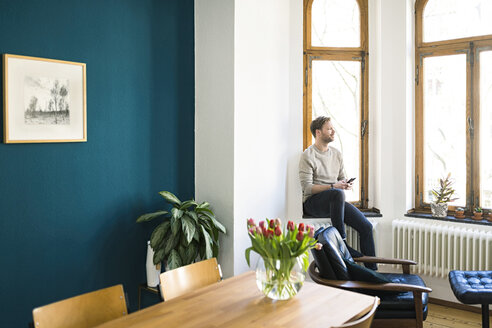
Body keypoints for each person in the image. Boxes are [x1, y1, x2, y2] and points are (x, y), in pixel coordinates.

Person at [299, 116, 376, 269]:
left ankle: (372, 271)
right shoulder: (308, 155)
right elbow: (307, 188)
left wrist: (345, 184)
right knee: (337, 194)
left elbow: (341, 179)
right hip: (313, 203)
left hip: (335, 200)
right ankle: (342, 242)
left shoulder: (336, 154)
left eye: (332, 128)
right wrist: (334, 186)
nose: (333, 131)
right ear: (318, 132)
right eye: (329, 129)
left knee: (366, 227)